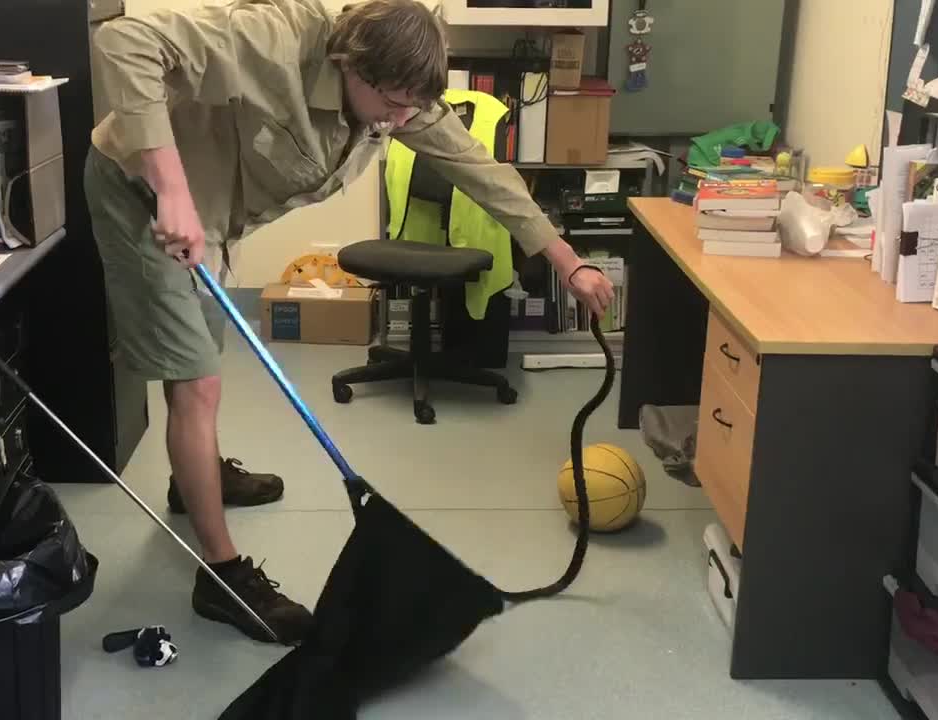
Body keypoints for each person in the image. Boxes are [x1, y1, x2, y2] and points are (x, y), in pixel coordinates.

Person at [84, 0, 616, 646]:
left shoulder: (400, 102)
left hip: (213, 214)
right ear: (348, 64)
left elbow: (485, 174)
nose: (397, 122)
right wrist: (170, 188)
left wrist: (568, 263)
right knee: (196, 381)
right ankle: (220, 578)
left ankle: (193, 477)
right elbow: (125, 40)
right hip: (140, 195)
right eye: (390, 104)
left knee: (202, 359)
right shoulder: (274, 41)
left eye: (407, 111)